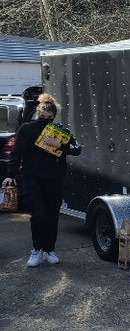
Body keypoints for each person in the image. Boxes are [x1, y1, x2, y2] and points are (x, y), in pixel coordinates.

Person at [2, 93, 81, 267]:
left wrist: (58, 144)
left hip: (54, 180)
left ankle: (49, 250)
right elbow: (17, 153)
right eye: (42, 116)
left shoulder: (60, 131)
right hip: (32, 178)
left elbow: (77, 149)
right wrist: (10, 174)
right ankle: (37, 249)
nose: (45, 120)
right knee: (38, 215)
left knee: (52, 216)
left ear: (53, 117)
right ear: (38, 113)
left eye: (49, 118)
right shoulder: (27, 129)